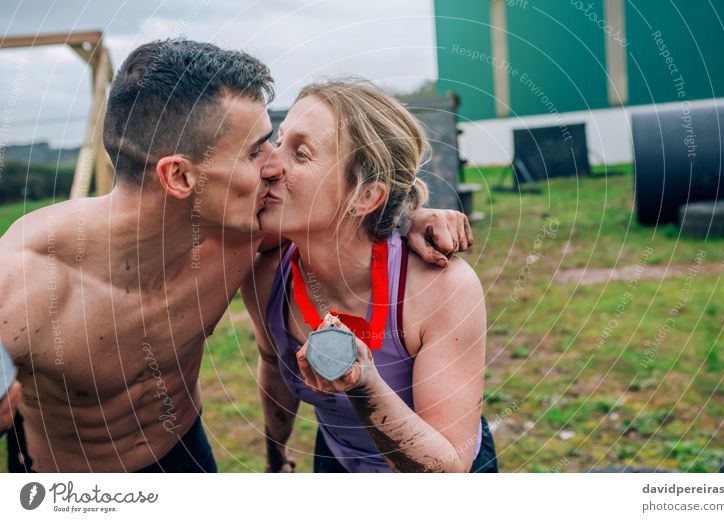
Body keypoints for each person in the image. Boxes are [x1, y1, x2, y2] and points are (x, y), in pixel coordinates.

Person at [0, 39, 472, 472]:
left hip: (187, 452)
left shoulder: (242, 234)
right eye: (255, 151)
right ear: (180, 178)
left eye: (278, 141)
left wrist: (411, 212)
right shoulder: (25, 280)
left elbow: (346, 217)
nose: (275, 165)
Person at [242, 81, 497, 472]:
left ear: (365, 197)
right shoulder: (266, 276)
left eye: (302, 154)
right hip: (336, 462)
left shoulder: (442, 287)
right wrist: (275, 454)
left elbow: (449, 468)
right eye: (279, 143)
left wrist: (364, 385)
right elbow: (273, 366)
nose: (271, 165)